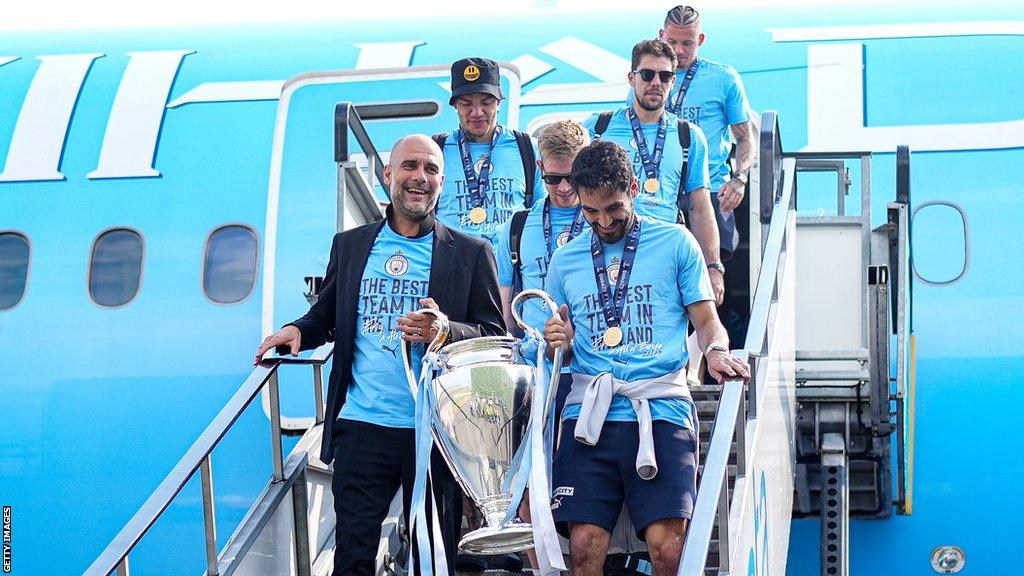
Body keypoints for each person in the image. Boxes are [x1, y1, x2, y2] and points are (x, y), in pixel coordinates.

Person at [253, 134, 505, 576]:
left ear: (442, 183)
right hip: (363, 424)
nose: (419, 178)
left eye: (430, 170)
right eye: (409, 166)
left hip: (436, 432)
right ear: (387, 175)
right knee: (353, 555)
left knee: (434, 559)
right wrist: (297, 330)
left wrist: (446, 330)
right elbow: (328, 314)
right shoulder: (350, 246)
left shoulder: (471, 253)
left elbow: (492, 335)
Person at [541, 141, 750, 576]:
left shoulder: (676, 242)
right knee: (582, 548)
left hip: (661, 409)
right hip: (588, 417)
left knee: (668, 550)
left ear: (633, 188)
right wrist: (556, 338)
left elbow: (707, 320)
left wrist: (715, 352)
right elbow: (556, 337)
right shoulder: (565, 260)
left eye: (613, 209)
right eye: (590, 212)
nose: (603, 221)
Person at [583, 39, 725, 306]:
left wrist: (713, 267)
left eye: (666, 76)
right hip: (608, 246)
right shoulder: (598, 128)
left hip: (664, 251)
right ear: (631, 78)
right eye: (647, 74)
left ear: (674, 81)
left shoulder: (689, 136)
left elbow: (700, 207)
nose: (656, 82)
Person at [496, 119, 590, 417]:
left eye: (572, 178)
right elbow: (504, 310)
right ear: (539, 167)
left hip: (591, 365)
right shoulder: (517, 226)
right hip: (536, 369)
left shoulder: (603, 220)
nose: (563, 188)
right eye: (553, 179)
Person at [659, 5, 755, 262]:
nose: (679, 50)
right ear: (661, 36)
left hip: (710, 188)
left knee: (710, 274)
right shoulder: (649, 79)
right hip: (662, 191)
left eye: (687, 43)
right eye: (672, 42)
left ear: (700, 40)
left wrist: (739, 179)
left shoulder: (723, 77)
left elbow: (745, 137)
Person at [433, 57, 545, 249]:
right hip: (453, 267)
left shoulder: (528, 148)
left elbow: (541, 215)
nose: (477, 112)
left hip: (510, 269)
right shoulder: (436, 149)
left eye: (486, 102)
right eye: (467, 103)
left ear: (499, 103)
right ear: (455, 106)